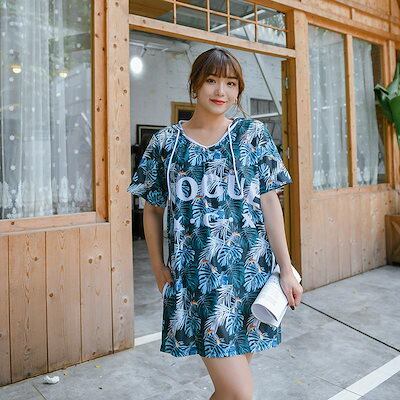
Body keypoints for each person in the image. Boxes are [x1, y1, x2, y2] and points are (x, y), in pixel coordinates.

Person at [127, 47, 303, 400]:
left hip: (250, 276)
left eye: (231, 83)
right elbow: (152, 209)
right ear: (195, 84)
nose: (221, 91)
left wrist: (286, 270)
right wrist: (158, 267)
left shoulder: (252, 135)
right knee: (240, 393)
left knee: (228, 391)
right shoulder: (165, 143)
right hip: (199, 281)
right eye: (211, 80)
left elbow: (270, 202)